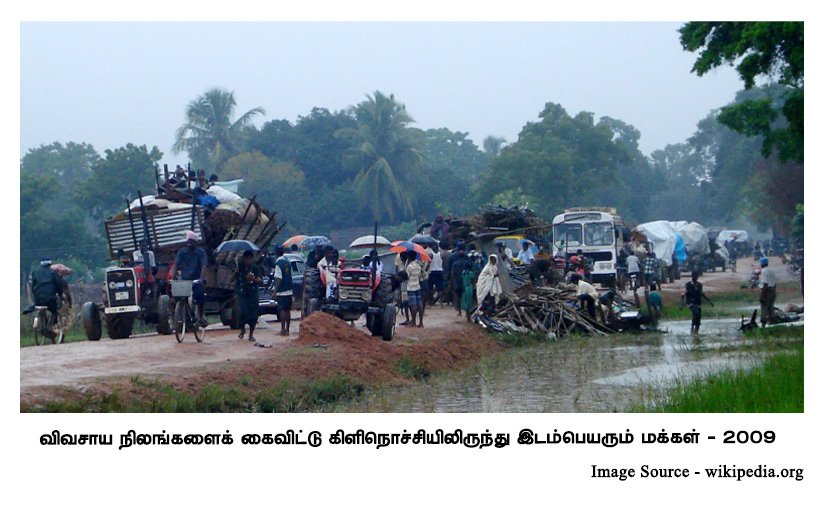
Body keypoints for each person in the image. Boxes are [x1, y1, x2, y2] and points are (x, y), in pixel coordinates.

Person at [173, 230, 208, 326]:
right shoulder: (182, 252)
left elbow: (203, 266)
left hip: (197, 280)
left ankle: (201, 315)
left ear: (196, 243)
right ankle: (182, 315)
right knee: (179, 296)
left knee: (199, 294)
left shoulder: (201, 252)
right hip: (185, 280)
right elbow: (176, 265)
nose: (189, 244)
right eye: (188, 242)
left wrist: (201, 278)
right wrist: (173, 278)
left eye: (191, 242)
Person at [231, 250, 263, 341]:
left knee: (253, 314)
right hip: (242, 293)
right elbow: (231, 280)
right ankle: (242, 329)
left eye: (250, 259)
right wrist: (235, 272)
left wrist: (253, 279)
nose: (248, 261)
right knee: (242, 312)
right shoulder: (239, 268)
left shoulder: (255, 268)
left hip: (252, 293)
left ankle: (251, 334)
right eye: (246, 259)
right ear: (243, 259)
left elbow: (261, 281)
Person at [30, 258, 64, 330]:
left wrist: (35, 296)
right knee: (54, 310)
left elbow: (33, 286)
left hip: (38, 298)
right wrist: (60, 294)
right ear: (50, 264)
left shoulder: (35, 272)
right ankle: (51, 326)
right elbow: (58, 284)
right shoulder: (53, 272)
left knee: (41, 307)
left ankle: (43, 325)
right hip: (50, 297)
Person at [272, 245, 294, 336]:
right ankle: (288, 330)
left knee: (282, 310)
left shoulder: (278, 264)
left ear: (276, 253)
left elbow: (279, 278)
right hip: (289, 290)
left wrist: (275, 290)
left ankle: (283, 329)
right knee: (288, 310)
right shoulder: (287, 262)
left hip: (282, 291)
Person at [450, 249, 472, 317]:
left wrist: (451, 282)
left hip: (458, 283)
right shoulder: (467, 263)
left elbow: (452, 274)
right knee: (467, 298)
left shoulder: (455, 264)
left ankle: (459, 312)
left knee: (458, 298)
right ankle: (467, 313)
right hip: (466, 283)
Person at [405, 252, 424, 327]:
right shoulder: (418, 266)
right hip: (417, 286)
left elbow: (407, 276)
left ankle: (413, 321)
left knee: (413, 304)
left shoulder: (409, 266)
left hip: (410, 287)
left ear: (409, 257)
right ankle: (421, 322)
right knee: (419, 304)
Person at [759, 257, 778, 327]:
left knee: (764, 307)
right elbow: (775, 283)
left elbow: (765, 284)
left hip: (766, 291)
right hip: (773, 290)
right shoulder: (771, 271)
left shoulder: (764, 271)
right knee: (771, 307)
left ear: (761, 264)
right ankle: (774, 322)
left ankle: (763, 323)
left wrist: (762, 295)